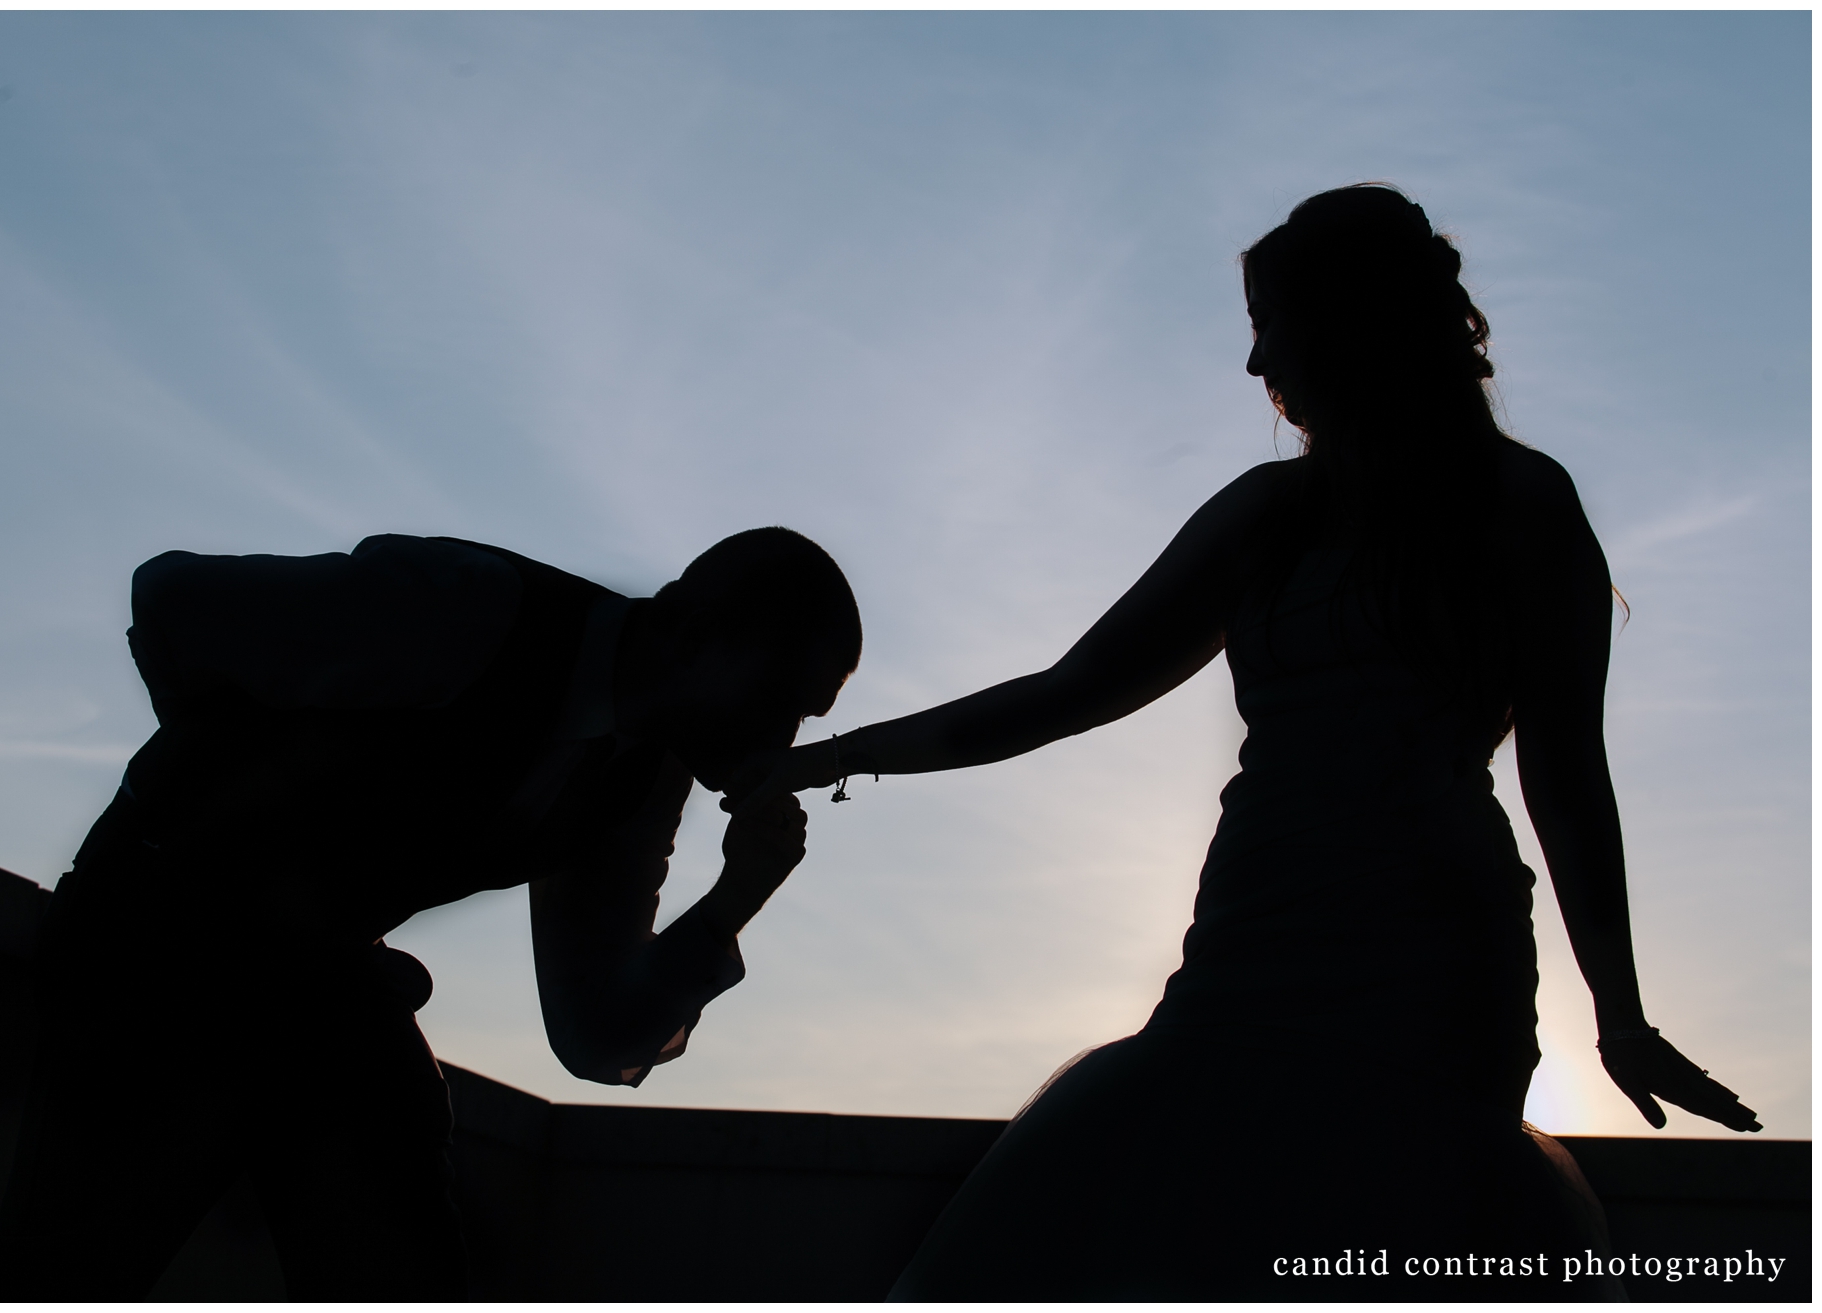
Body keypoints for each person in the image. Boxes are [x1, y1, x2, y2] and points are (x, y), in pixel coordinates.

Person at [733, 186, 1759, 1300]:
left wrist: (1618, 1012)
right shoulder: (1270, 512)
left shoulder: (1521, 501)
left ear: (1351, 321)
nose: (1252, 358)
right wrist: (828, 757)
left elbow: (1566, 772)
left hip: (1431, 952)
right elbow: (1068, 691)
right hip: (1254, 934)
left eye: (1268, 318)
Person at [0, 526, 860, 1301]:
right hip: (161, 950)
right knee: (69, 1266)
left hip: (318, 984)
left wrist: (740, 895)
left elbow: (595, 1033)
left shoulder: (635, 783)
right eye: (782, 699)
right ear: (705, 629)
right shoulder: (473, 608)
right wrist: (243, 804)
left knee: (397, 1263)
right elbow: (175, 601)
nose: (781, 740)